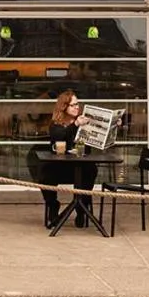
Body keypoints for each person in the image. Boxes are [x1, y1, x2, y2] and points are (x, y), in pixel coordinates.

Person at [40, 90, 94, 229]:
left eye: (77, 104)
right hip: (61, 166)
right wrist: (75, 124)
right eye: (73, 105)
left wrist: (114, 124)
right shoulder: (56, 124)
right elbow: (59, 136)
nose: (77, 107)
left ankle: (81, 209)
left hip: (80, 166)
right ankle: (53, 206)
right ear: (64, 107)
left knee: (91, 169)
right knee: (46, 174)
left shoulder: (84, 122)